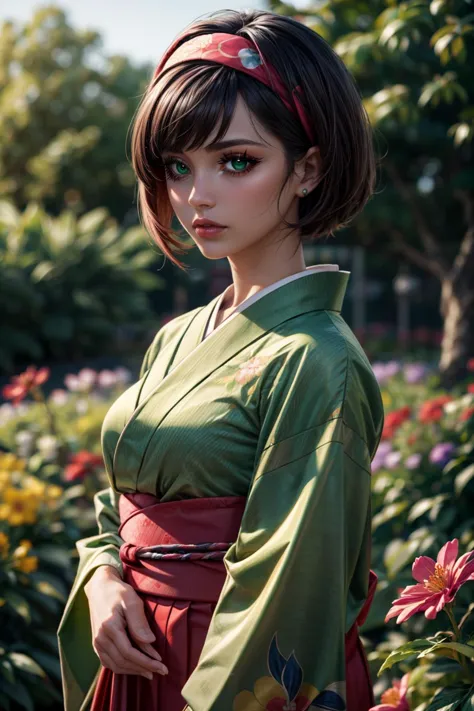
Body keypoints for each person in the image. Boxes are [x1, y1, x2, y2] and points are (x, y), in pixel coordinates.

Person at [57, 8, 385, 711]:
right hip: (136, 654)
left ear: (308, 168)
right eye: (178, 165)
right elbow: (116, 505)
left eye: (237, 161)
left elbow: (294, 589)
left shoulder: (317, 359)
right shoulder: (176, 335)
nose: (196, 195)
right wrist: (105, 579)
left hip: (216, 670)